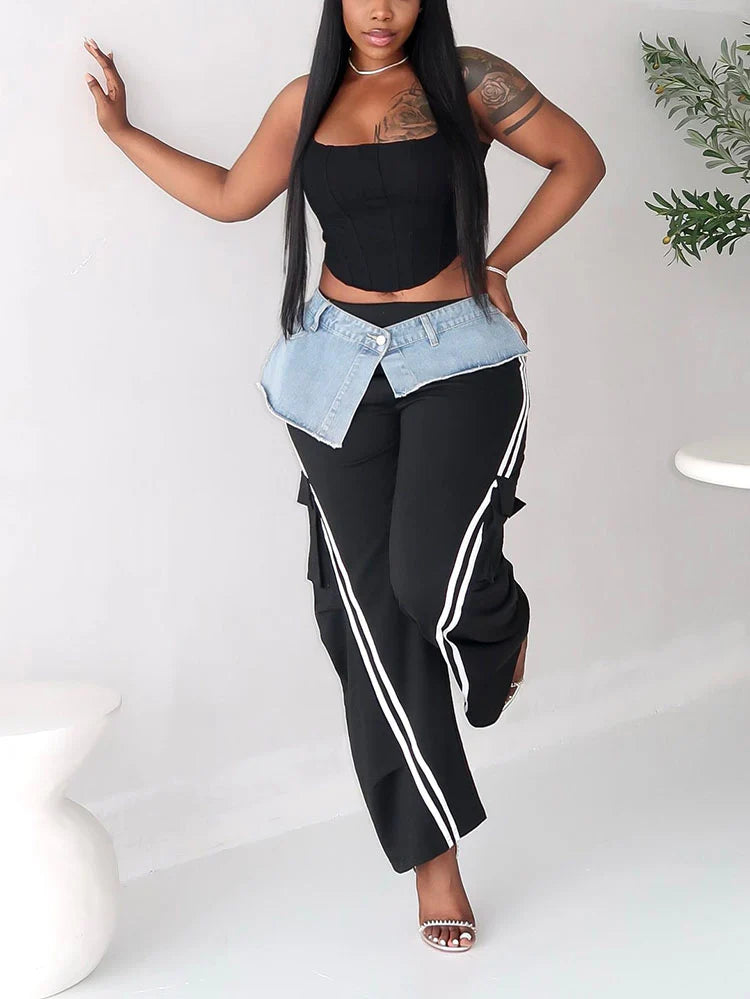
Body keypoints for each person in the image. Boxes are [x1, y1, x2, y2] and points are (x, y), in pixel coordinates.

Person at [84, 0, 605, 954]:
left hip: (456, 354)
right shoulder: (306, 99)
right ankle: (435, 859)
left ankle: (497, 625)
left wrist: (496, 265)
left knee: (428, 575)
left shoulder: (469, 80)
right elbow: (229, 194)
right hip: (334, 367)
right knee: (372, 620)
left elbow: (579, 160)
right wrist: (123, 132)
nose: (382, 9)